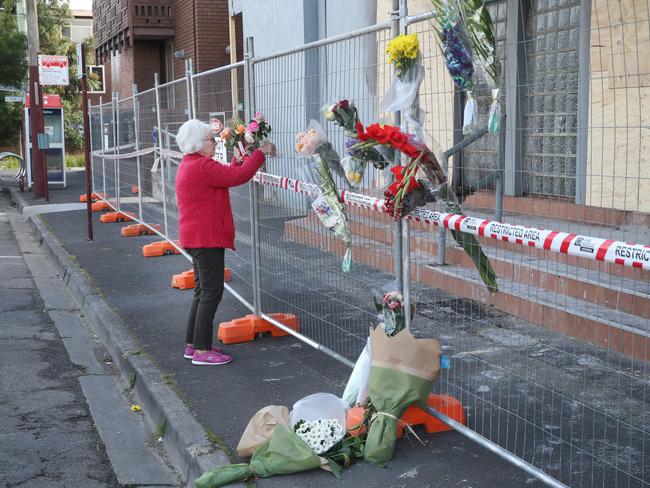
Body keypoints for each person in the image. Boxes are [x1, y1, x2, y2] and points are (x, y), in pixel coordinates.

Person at [175, 119, 274, 365]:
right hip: (205, 237)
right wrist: (260, 154)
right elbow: (238, 176)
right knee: (211, 292)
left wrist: (241, 158)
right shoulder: (201, 166)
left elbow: (226, 174)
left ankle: (193, 344)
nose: (214, 142)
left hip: (197, 237)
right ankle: (201, 350)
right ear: (198, 144)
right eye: (211, 139)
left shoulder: (193, 164)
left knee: (202, 292)